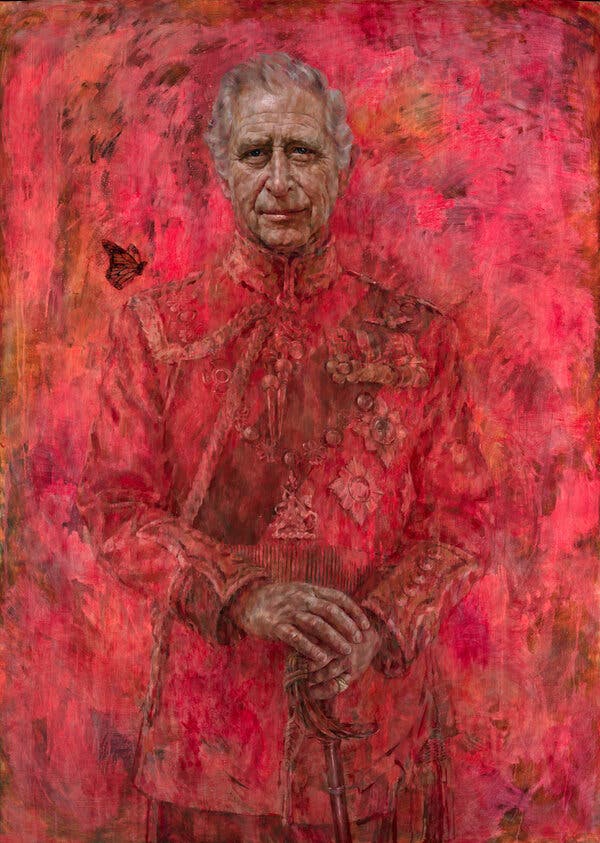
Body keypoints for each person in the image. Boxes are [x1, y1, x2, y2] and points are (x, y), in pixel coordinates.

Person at [78, 53, 492, 843]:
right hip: (210, 748)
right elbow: (115, 509)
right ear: (222, 168)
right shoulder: (156, 332)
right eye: (255, 152)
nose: (280, 180)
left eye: (302, 151)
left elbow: (462, 520)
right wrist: (244, 597)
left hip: (369, 744)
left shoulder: (417, 339)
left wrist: (378, 625)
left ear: (339, 165)